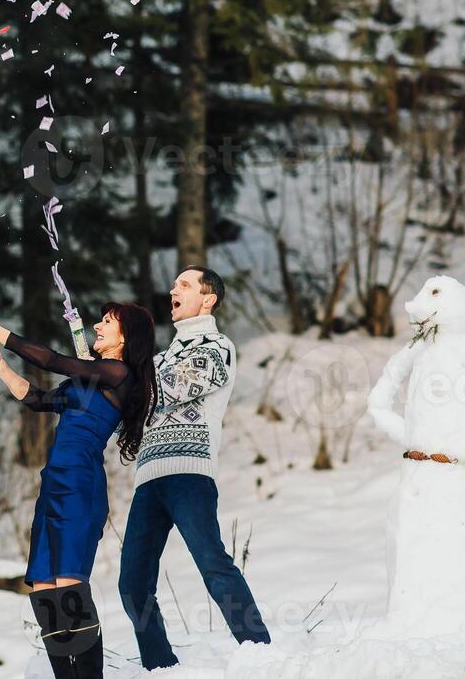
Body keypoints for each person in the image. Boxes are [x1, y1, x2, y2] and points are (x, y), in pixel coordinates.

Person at [0, 302, 159, 679]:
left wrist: (0, 332)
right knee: (43, 587)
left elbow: (53, 360)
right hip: (54, 482)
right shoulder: (89, 379)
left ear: (127, 337)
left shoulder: (118, 374)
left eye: (107, 322)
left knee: (69, 585)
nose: (97, 325)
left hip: (80, 486)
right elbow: (39, 399)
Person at [116, 266, 270, 670]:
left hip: (190, 474)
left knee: (212, 564)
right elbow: (127, 402)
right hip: (148, 480)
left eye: (183, 285)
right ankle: (159, 666)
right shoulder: (160, 358)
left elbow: (166, 389)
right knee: (132, 582)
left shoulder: (218, 347)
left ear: (208, 298)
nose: (172, 290)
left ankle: (260, 652)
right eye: (172, 285)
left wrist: (121, 378)